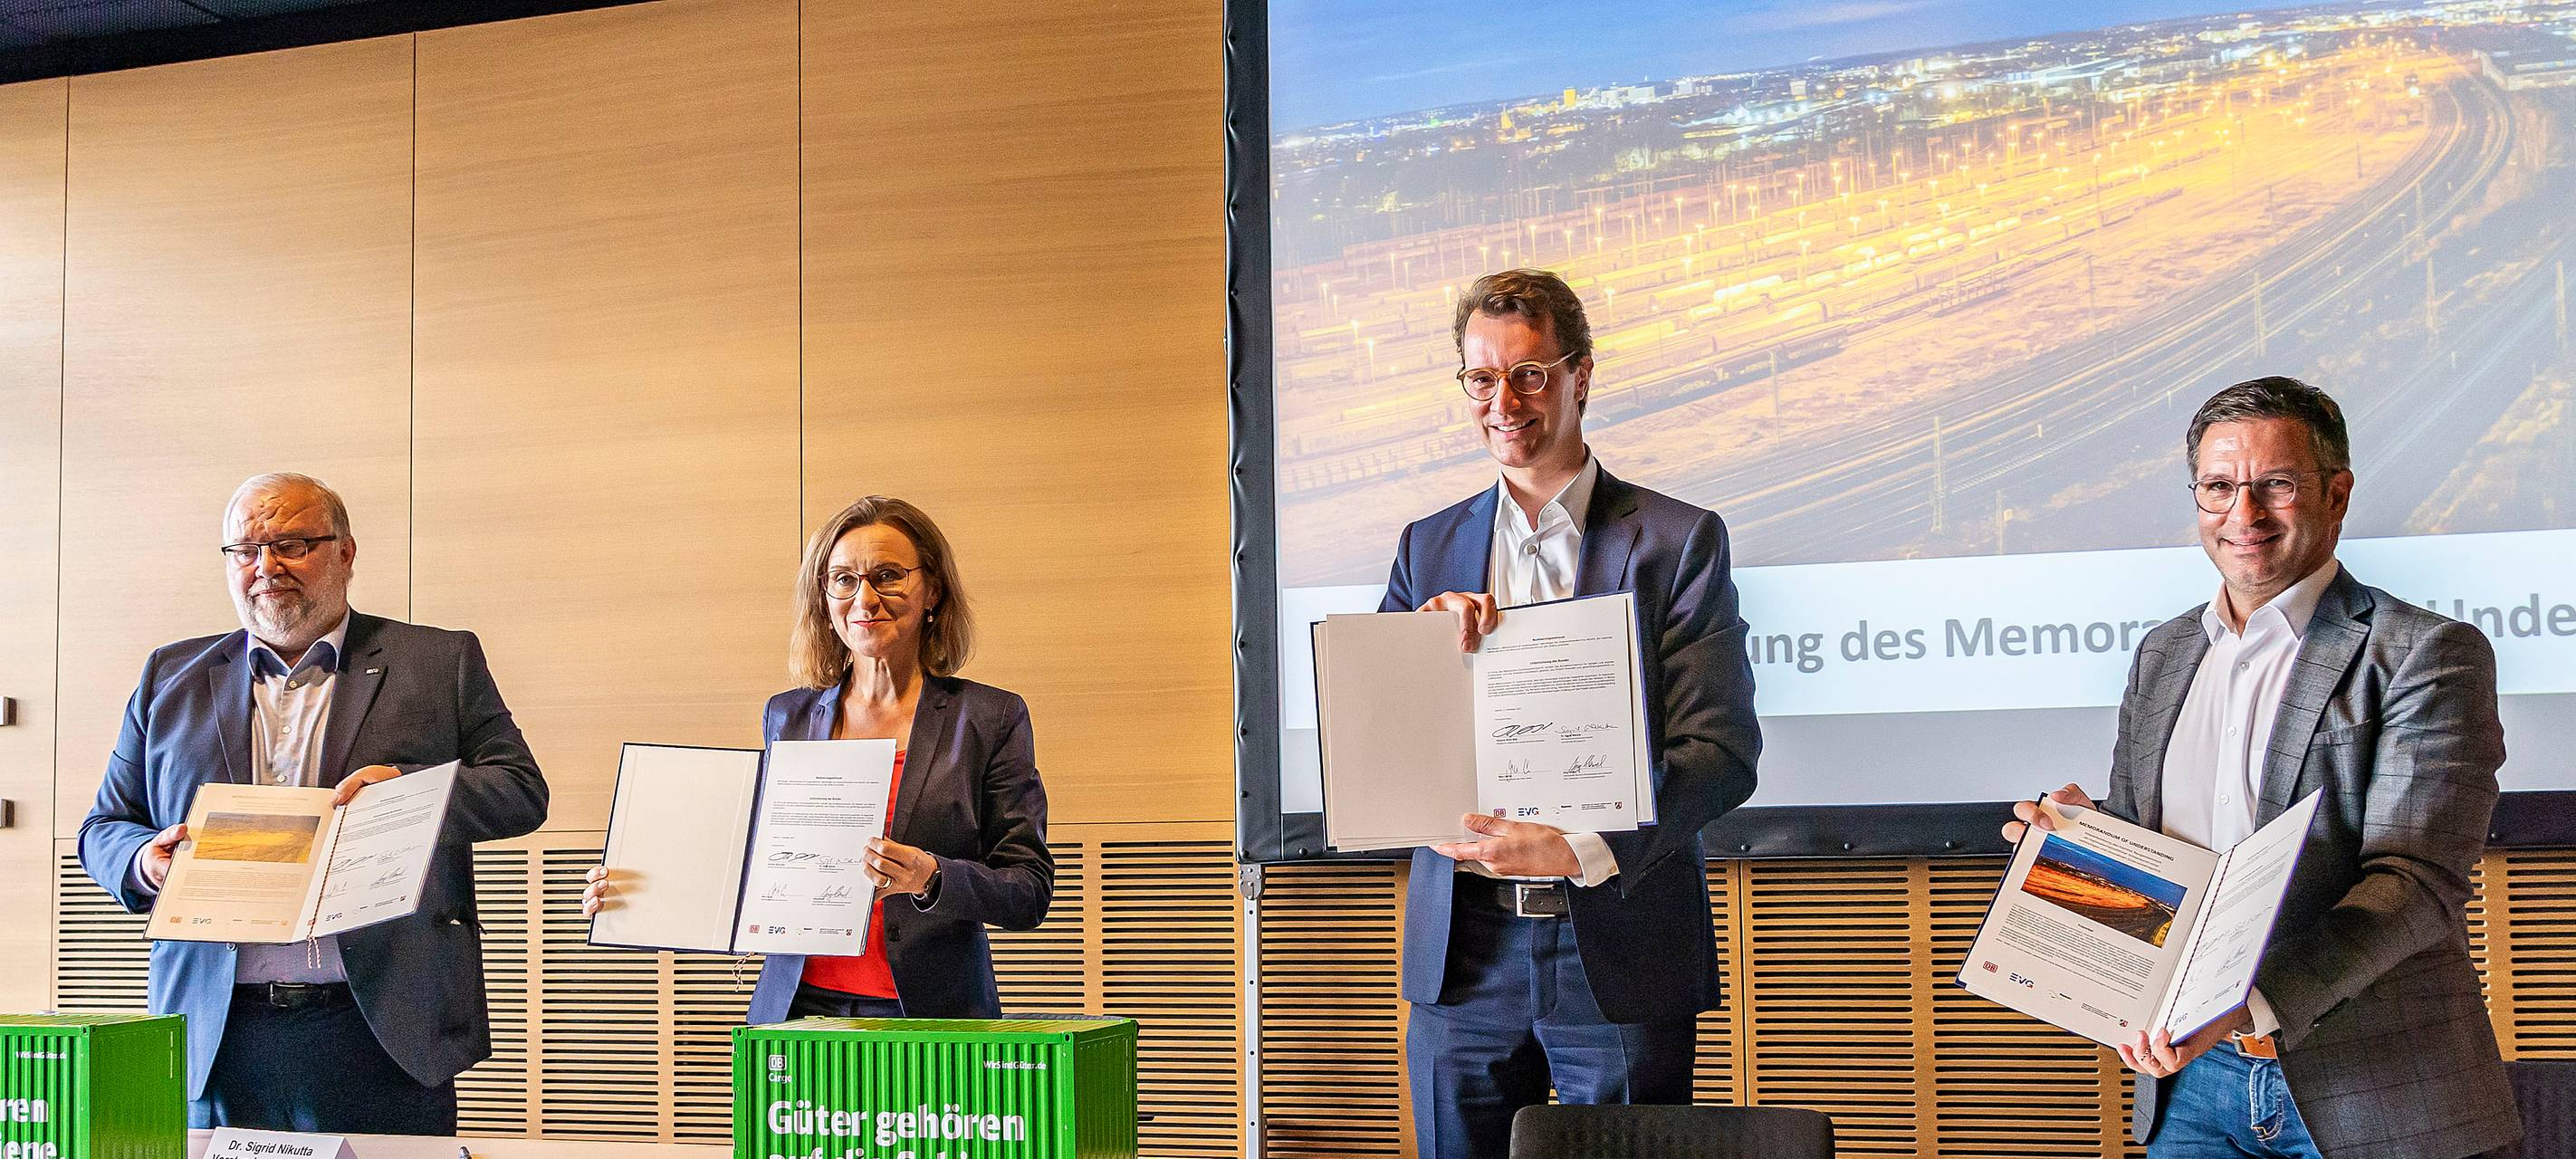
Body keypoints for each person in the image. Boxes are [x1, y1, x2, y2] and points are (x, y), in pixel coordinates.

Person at [2005, 378, 2520, 1159]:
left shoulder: (2424, 653)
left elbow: (2417, 881)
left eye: (2274, 486)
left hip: (2375, 1087)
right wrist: (2082, 836)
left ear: (2336, 493)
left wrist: (2255, 1004)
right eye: (2217, 488)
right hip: (2189, 1087)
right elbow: (2173, 847)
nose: (2241, 516)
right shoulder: (2164, 652)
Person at [1380, 269, 1761, 1159]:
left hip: (1616, 939)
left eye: (1529, 374)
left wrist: (1581, 846)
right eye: (1480, 377)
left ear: (1580, 375)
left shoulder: (1677, 540)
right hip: (1462, 952)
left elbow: (1721, 749)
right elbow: (1390, 747)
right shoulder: (1424, 544)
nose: (1502, 401)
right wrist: (1418, 658)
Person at [76, 473, 549, 1134]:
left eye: (292, 544)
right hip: (214, 1030)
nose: (266, 567)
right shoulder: (170, 676)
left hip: (382, 1023)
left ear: (345, 553)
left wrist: (408, 793)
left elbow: (520, 790)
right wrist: (145, 862)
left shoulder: (439, 661)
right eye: (245, 551)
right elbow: (104, 826)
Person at [585, 495, 1051, 1020]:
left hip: (928, 1017)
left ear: (933, 590)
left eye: (888, 575)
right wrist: (643, 889)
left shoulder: (988, 718)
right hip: (795, 1013)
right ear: (825, 599)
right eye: (844, 580)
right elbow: (755, 862)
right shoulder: (787, 717)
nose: (865, 598)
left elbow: (1028, 890)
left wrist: (931, 876)